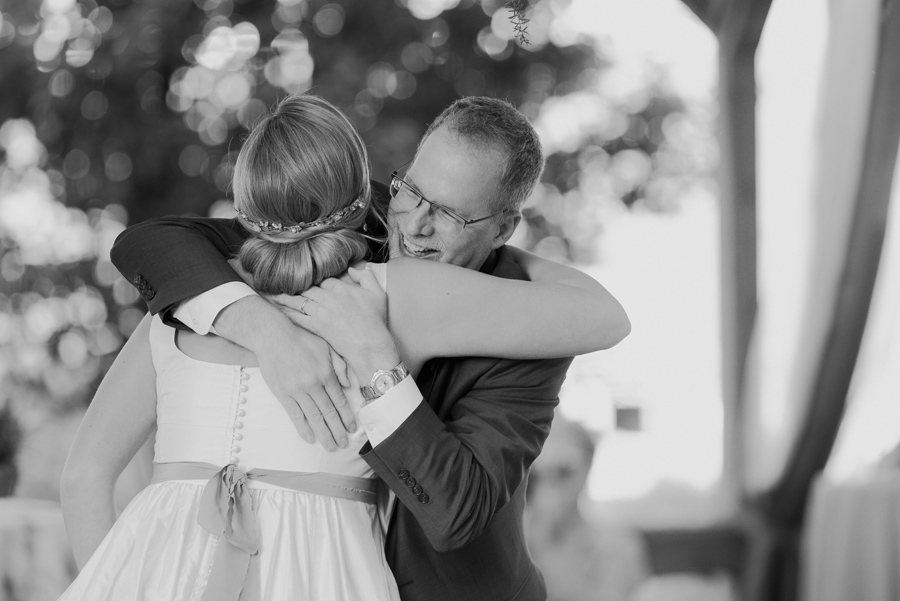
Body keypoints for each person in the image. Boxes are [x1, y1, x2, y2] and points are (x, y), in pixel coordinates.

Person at [107, 95, 631, 601]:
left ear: (503, 229)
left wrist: (377, 361)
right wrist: (268, 333)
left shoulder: (529, 329)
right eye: (412, 193)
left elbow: (456, 513)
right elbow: (156, 242)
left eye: (452, 216)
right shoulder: (373, 222)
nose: (418, 227)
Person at [525, 413, 650, 601]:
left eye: (563, 469)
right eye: (537, 470)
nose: (550, 482)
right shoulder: (518, 541)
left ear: (587, 467)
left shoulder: (617, 546)